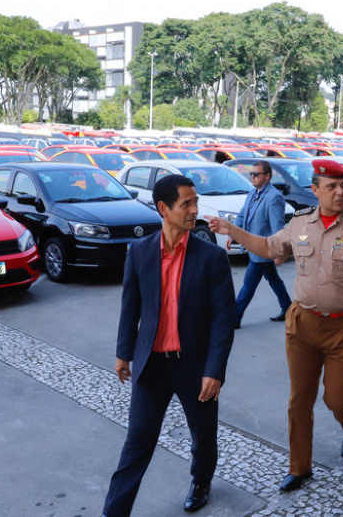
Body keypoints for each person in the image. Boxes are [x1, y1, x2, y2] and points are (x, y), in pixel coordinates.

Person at [206, 159, 343, 492]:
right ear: (315, 190)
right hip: (303, 325)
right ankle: (300, 467)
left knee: (338, 400)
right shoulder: (300, 223)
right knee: (299, 400)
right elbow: (267, 247)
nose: (340, 192)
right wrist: (231, 230)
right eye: (332, 186)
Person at [102, 175, 235, 516]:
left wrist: (214, 370)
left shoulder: (211, 258)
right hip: (153, 368)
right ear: (164, 208)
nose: (195, 210)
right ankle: (113, 511)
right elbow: (130, 306)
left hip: (195, 368)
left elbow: (223, 320)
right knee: (136, 444)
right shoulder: (140, 252)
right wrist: (124, 352)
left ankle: (201, 481)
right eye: (186, 204)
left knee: (203, 437)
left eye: (195, 202)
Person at [227, 160, 292, 327]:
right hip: (254, 248)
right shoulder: (253, 193)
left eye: (256, 174)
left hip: (263, 250)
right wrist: (232, 234)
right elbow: (242, 215)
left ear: (267, 176)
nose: (252, 177)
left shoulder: (274, 197)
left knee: (248, 285)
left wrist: (278, 252)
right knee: (274, 280)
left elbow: (277, 227)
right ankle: (288, 309)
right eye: (251, 174)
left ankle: (234, 318)